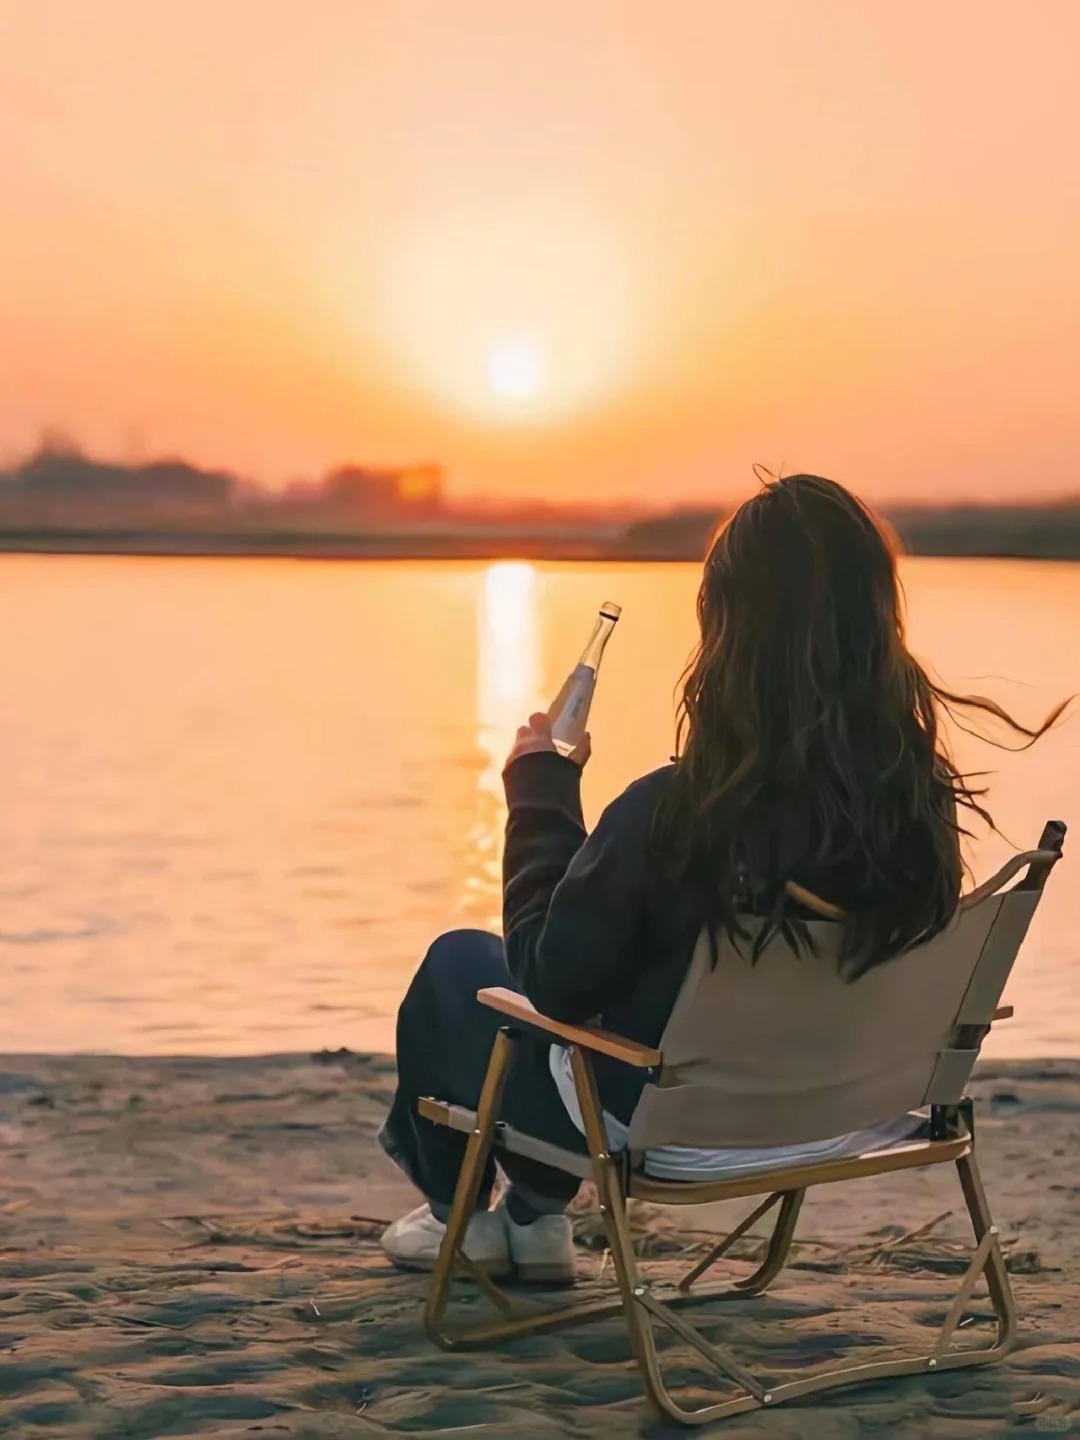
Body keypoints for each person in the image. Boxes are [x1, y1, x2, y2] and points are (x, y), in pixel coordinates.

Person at [378, 473, 1062, 1282]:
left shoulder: (675, 811)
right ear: (878, 621)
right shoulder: (919, 804)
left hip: (679, 1134)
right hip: (850, 1119)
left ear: (726, 627)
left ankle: (459, 1216)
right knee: (606, 1008)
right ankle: (531, 1220)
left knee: (463, 968)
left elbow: (548, 984)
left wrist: (539, 795)